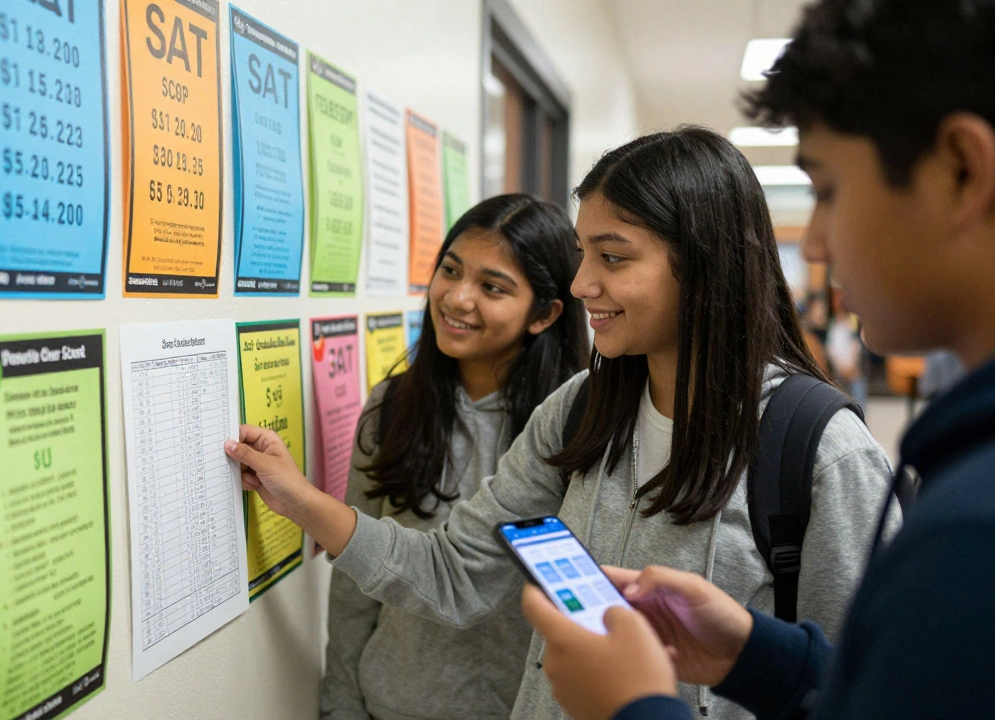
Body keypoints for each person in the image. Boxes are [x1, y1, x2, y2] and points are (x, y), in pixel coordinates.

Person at [226, 126, 896, 720]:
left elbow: (870, 687)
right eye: (582, 254)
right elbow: (456, 570)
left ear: (702, 266)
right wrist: (299, 500)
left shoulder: (820, 453)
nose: (579, 285)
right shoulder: (581, 411)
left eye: (613, 257)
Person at [517, 1, 995, 718]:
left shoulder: (960, 528)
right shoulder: (589, 405)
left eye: (828, 190)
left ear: (962, 169)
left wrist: (635, 707)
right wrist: (765, 656)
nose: (818, 245)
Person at [323, 194, 588, 720]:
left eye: (492, 287)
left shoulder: (577, 432)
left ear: (544, 314)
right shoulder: (393, 408)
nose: (457, 298)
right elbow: (354, 584)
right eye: (450, 270)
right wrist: (340, 704)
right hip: (391, 705)